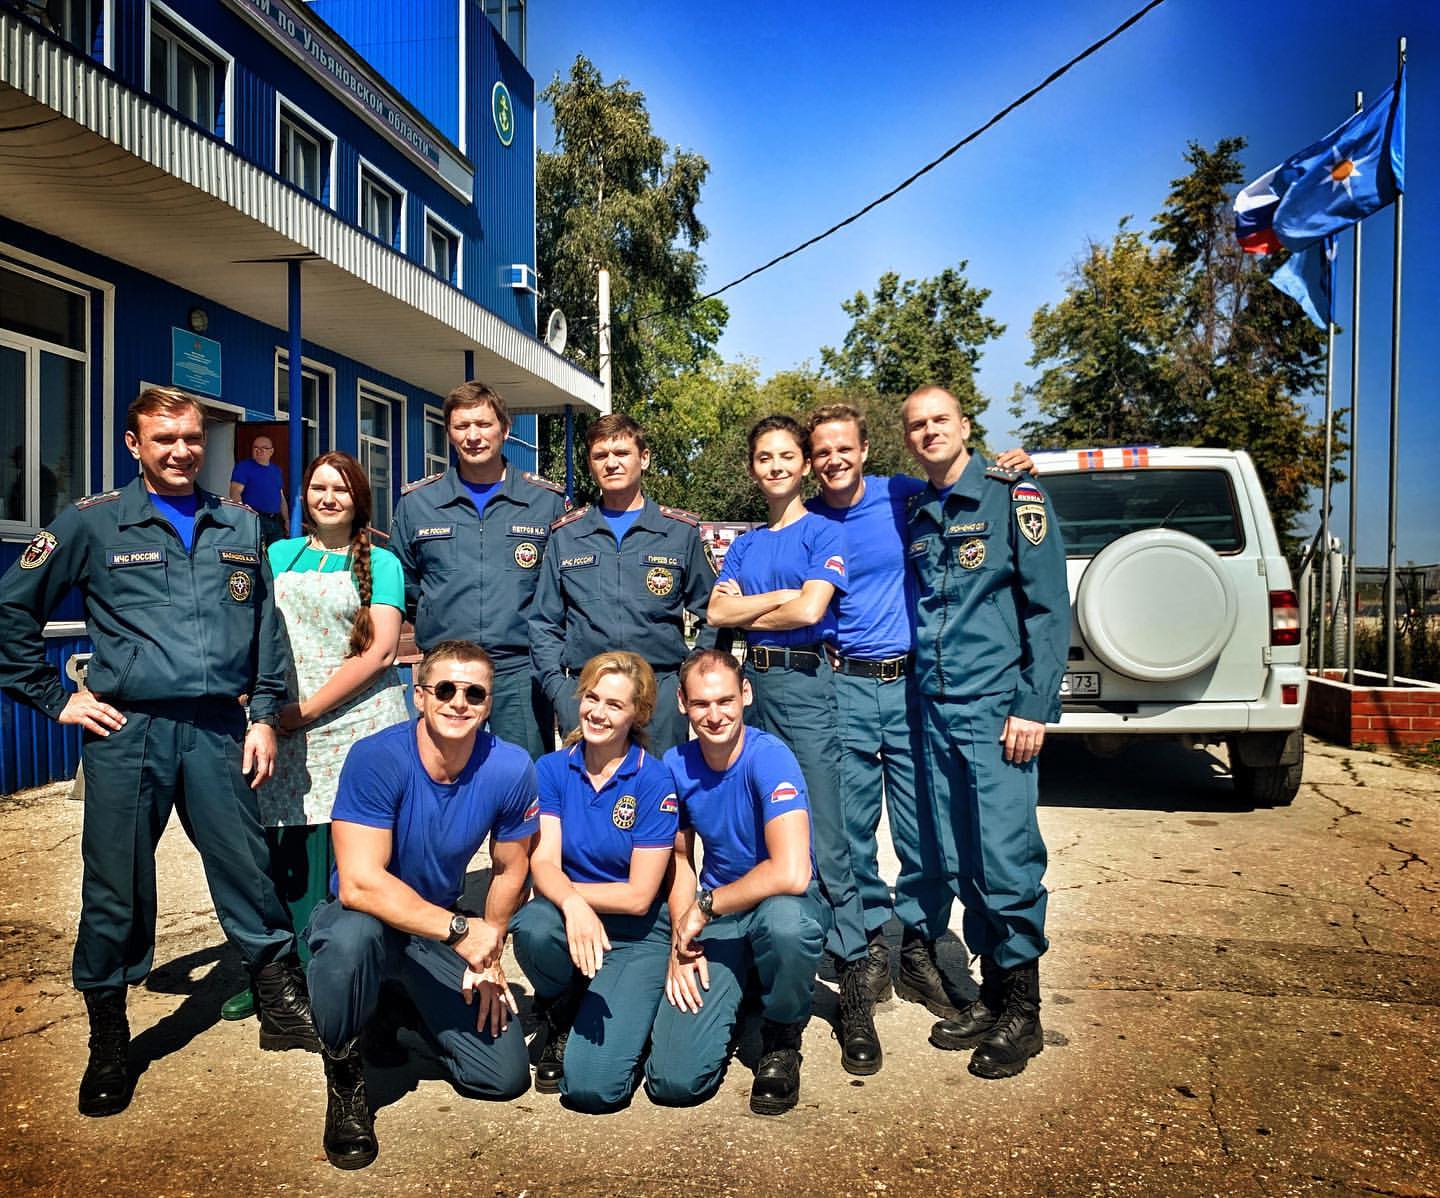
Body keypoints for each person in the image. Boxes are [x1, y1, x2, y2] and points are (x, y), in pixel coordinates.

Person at [0, 386, 317, 1120]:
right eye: (164, 438)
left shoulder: (239, 522)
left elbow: (266, 629)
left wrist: (264, 716)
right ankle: (109, 1036)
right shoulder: (92, 522)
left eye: (191, 438)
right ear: (133, 445)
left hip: (217, 729)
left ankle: (278, 1000)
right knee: (115, 882)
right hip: (128, 731)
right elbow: (11, 609)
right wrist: (54, 697)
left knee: (247, 868)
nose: (181, 451)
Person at [806, 404, 1034, 1018]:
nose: (835, 460)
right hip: (845, 685)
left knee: (925, 828)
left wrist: (1013, 467)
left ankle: (920, 946)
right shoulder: (808, 520)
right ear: (810, 462)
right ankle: (869, 945)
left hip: (912, 685)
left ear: (865, 450)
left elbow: (960, 480)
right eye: (822, 451)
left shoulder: (900, 494)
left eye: (845, 448)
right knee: (849, 829)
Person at [305, 640, 537, 1170]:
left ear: (489, 702)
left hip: (433, 929)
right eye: (445, 689)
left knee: (502, 1076)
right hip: (366, 919)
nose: (459, 702)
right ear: (420, 695)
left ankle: (397, 1005)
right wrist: (462, 931)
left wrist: (489, 952)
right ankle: (344, 1076)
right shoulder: (377, 758)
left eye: (474, 693)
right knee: (349, 941)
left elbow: (510, 869)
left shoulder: (510, 766)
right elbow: (359, 884)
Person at [900, 385, 1069, 1079]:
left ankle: (1024, 1012)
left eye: (940, 419)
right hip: (933, 708)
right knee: (960, 855)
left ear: (966, 425)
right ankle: (994, 996)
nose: (929, 431)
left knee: (1005, 858)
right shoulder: (919, 510)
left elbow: (1048, 607)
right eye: (917, 424)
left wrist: (1033, 705)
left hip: (997, 709)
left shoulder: (1012, 496)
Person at [704, 415, 875, 1075]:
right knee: (757, 829)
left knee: (827, 839)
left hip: (805, 687)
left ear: (803, 465)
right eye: (763, 457)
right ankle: (766, 971)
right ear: (753, 468)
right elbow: (717, 614)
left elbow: (810, 611)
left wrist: (760, 606)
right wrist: (781, 594)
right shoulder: (744, 545)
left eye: (785, 456)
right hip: (753, 691)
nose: (775, 466)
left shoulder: (823, 532)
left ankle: (853, 980)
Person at [219, 451, 410, 1022]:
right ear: (303, 496)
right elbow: (246, 628)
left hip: (358, 721)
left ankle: (349, 976)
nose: (328, 498)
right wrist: (259, 701)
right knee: (283, 851)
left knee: (349, 853)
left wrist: (305, 711)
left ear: (359, 500)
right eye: (318, 487)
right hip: (282, 721)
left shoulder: (383, 562)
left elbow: (380, 652)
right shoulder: (278, 554)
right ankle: (278, 973)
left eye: (340, 489)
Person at [644, 648, 829, 1115]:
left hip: (777, 902)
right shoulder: (676, 764)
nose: (715, 715)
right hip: (721, 913)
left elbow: (792, 871)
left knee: (787, 928)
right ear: (682, 703)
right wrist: (682, 938)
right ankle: (741, 985)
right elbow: (680, 858)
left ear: (745, 694)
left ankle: (782, 1034)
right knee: (673, 1081)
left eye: (725, 700)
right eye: (701, 703)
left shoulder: (770, 758)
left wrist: (705, 906)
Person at [509, 650, 677, 1111]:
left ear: (638, 714)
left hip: (635, 933)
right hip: (571, 919)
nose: (598, 712)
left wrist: (570, 895)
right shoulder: (551, 769)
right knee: (533, 926)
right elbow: (544, 862)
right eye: (592, 697)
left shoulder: (653, 779)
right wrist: (572, 906)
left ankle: (631, 1015)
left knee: (592, 1089)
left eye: (615, 704)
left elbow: (639, 896)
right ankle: (561, 1009)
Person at [391, 381, 566, 759]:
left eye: (484, 424)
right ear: (449, 433)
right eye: (462, 426)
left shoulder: (544, 502)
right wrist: (438, 617)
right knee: (442, 772)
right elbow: (405, 583)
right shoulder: (419, 503)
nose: (473, 436)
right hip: (445, 670)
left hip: (520, 671)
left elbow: (559, 588)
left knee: (522, 776)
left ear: (505, 429)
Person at [529, 413, 717, 755]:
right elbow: (544, 622)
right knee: (588, 785)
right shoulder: (567, 535)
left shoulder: (679, 532)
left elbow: (713, 615)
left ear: (643, 458)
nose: (611, 463)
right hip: (587, 695)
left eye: (621, 453)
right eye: (600, 455)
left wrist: (689, 681)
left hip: (659, 697)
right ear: (590, 464)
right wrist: (559, 689)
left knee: (659, 786)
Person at [230, 435, 288, 545]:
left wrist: (287, 520)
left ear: (271, 451)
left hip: (275, 521)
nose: (259, 450)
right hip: (255, 519)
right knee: (257, 552)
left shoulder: (276, 470)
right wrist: (245, 518)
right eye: (255, 447)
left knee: (276, 552)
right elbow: (235, 494)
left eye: (263, 448)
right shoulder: (244, 467)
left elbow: (281, 497)